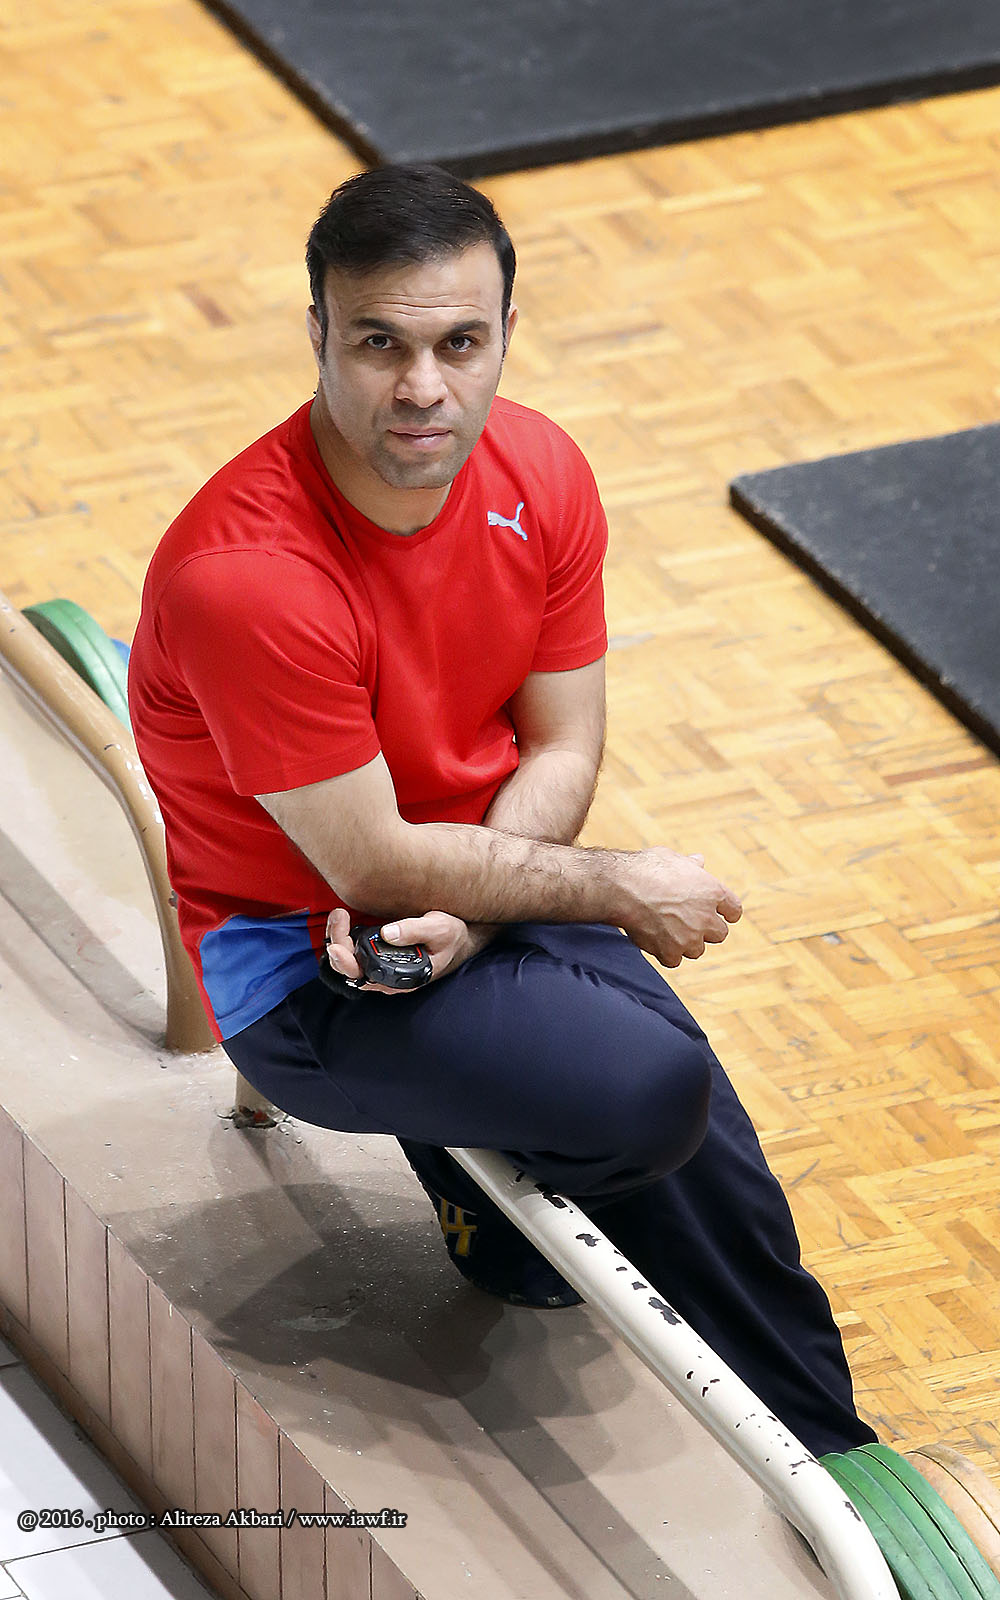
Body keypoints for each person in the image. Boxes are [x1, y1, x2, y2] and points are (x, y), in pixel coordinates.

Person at [129, 163, 876, 1459]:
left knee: (683, 1107)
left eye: (460, 344)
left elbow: (564, 740)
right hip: (308, 958)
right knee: (650, 1086)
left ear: (506, 336)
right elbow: (369, 862)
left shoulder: (541, 470)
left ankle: (832, 1449)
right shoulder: (249, 577)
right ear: (318, 335)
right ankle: (807, 1433)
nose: (424, 387)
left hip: (478, 876)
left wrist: (478, 915)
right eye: (380, 344)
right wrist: (618, 885)